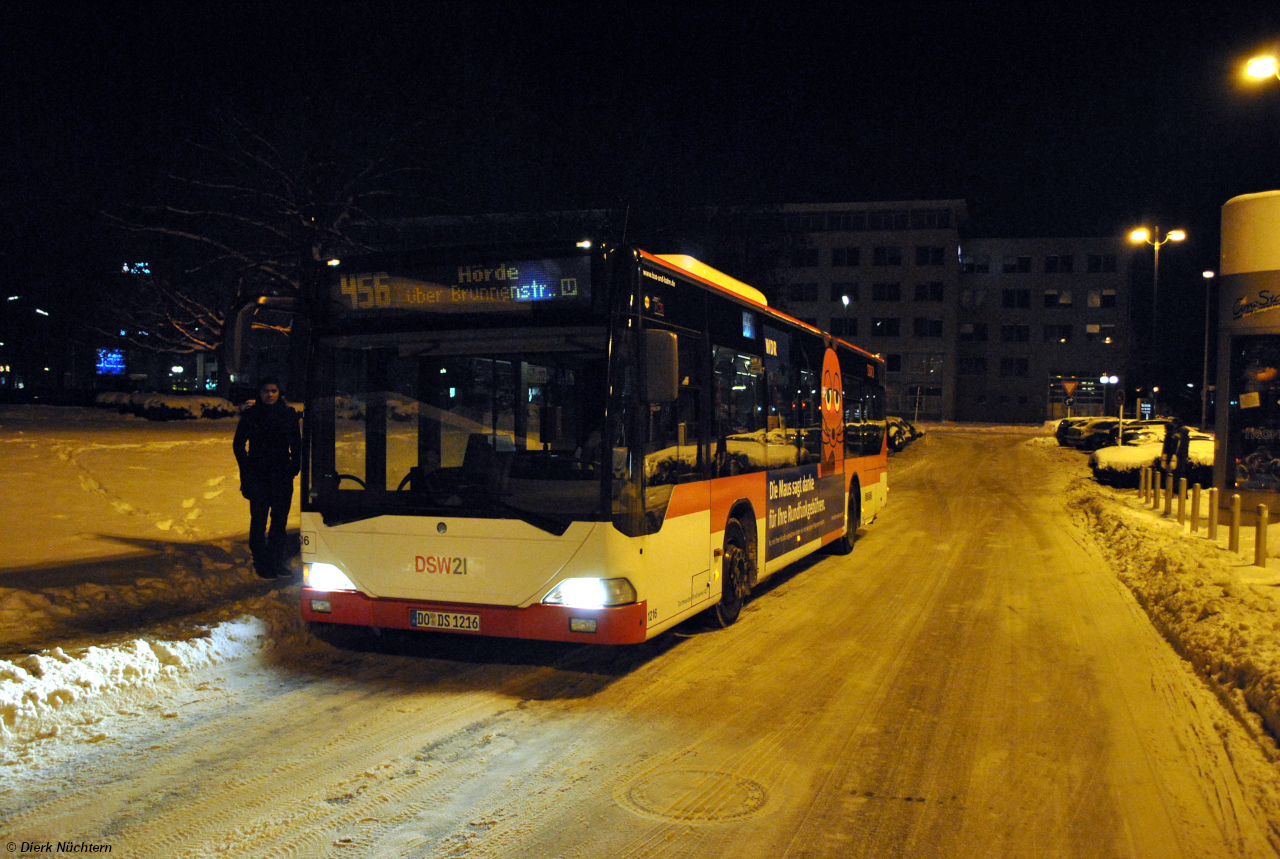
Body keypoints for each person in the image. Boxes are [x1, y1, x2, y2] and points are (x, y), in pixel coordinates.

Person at [233, 377, 301, 578]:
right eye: (265, 391)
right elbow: (238, 444)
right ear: (259, 393)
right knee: (259, 520)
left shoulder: (288, 415)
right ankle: (262, 562)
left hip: (281, 474)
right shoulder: (251, 415)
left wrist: (293, 467)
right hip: (259, 475)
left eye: (273, 390)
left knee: (279, 522)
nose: (270, 394)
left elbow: (297, 443)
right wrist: (247, 468)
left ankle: (276, 561)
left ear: (279, 393)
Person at [1160, 417, 1191, 485]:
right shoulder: (1181, 433)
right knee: (1178, 475)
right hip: (1180, 457)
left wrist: (1171, 456)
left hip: (1178, 458)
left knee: (1177, 476)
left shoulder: (1177, 435)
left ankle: (1178, 492)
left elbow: (1174, 447)